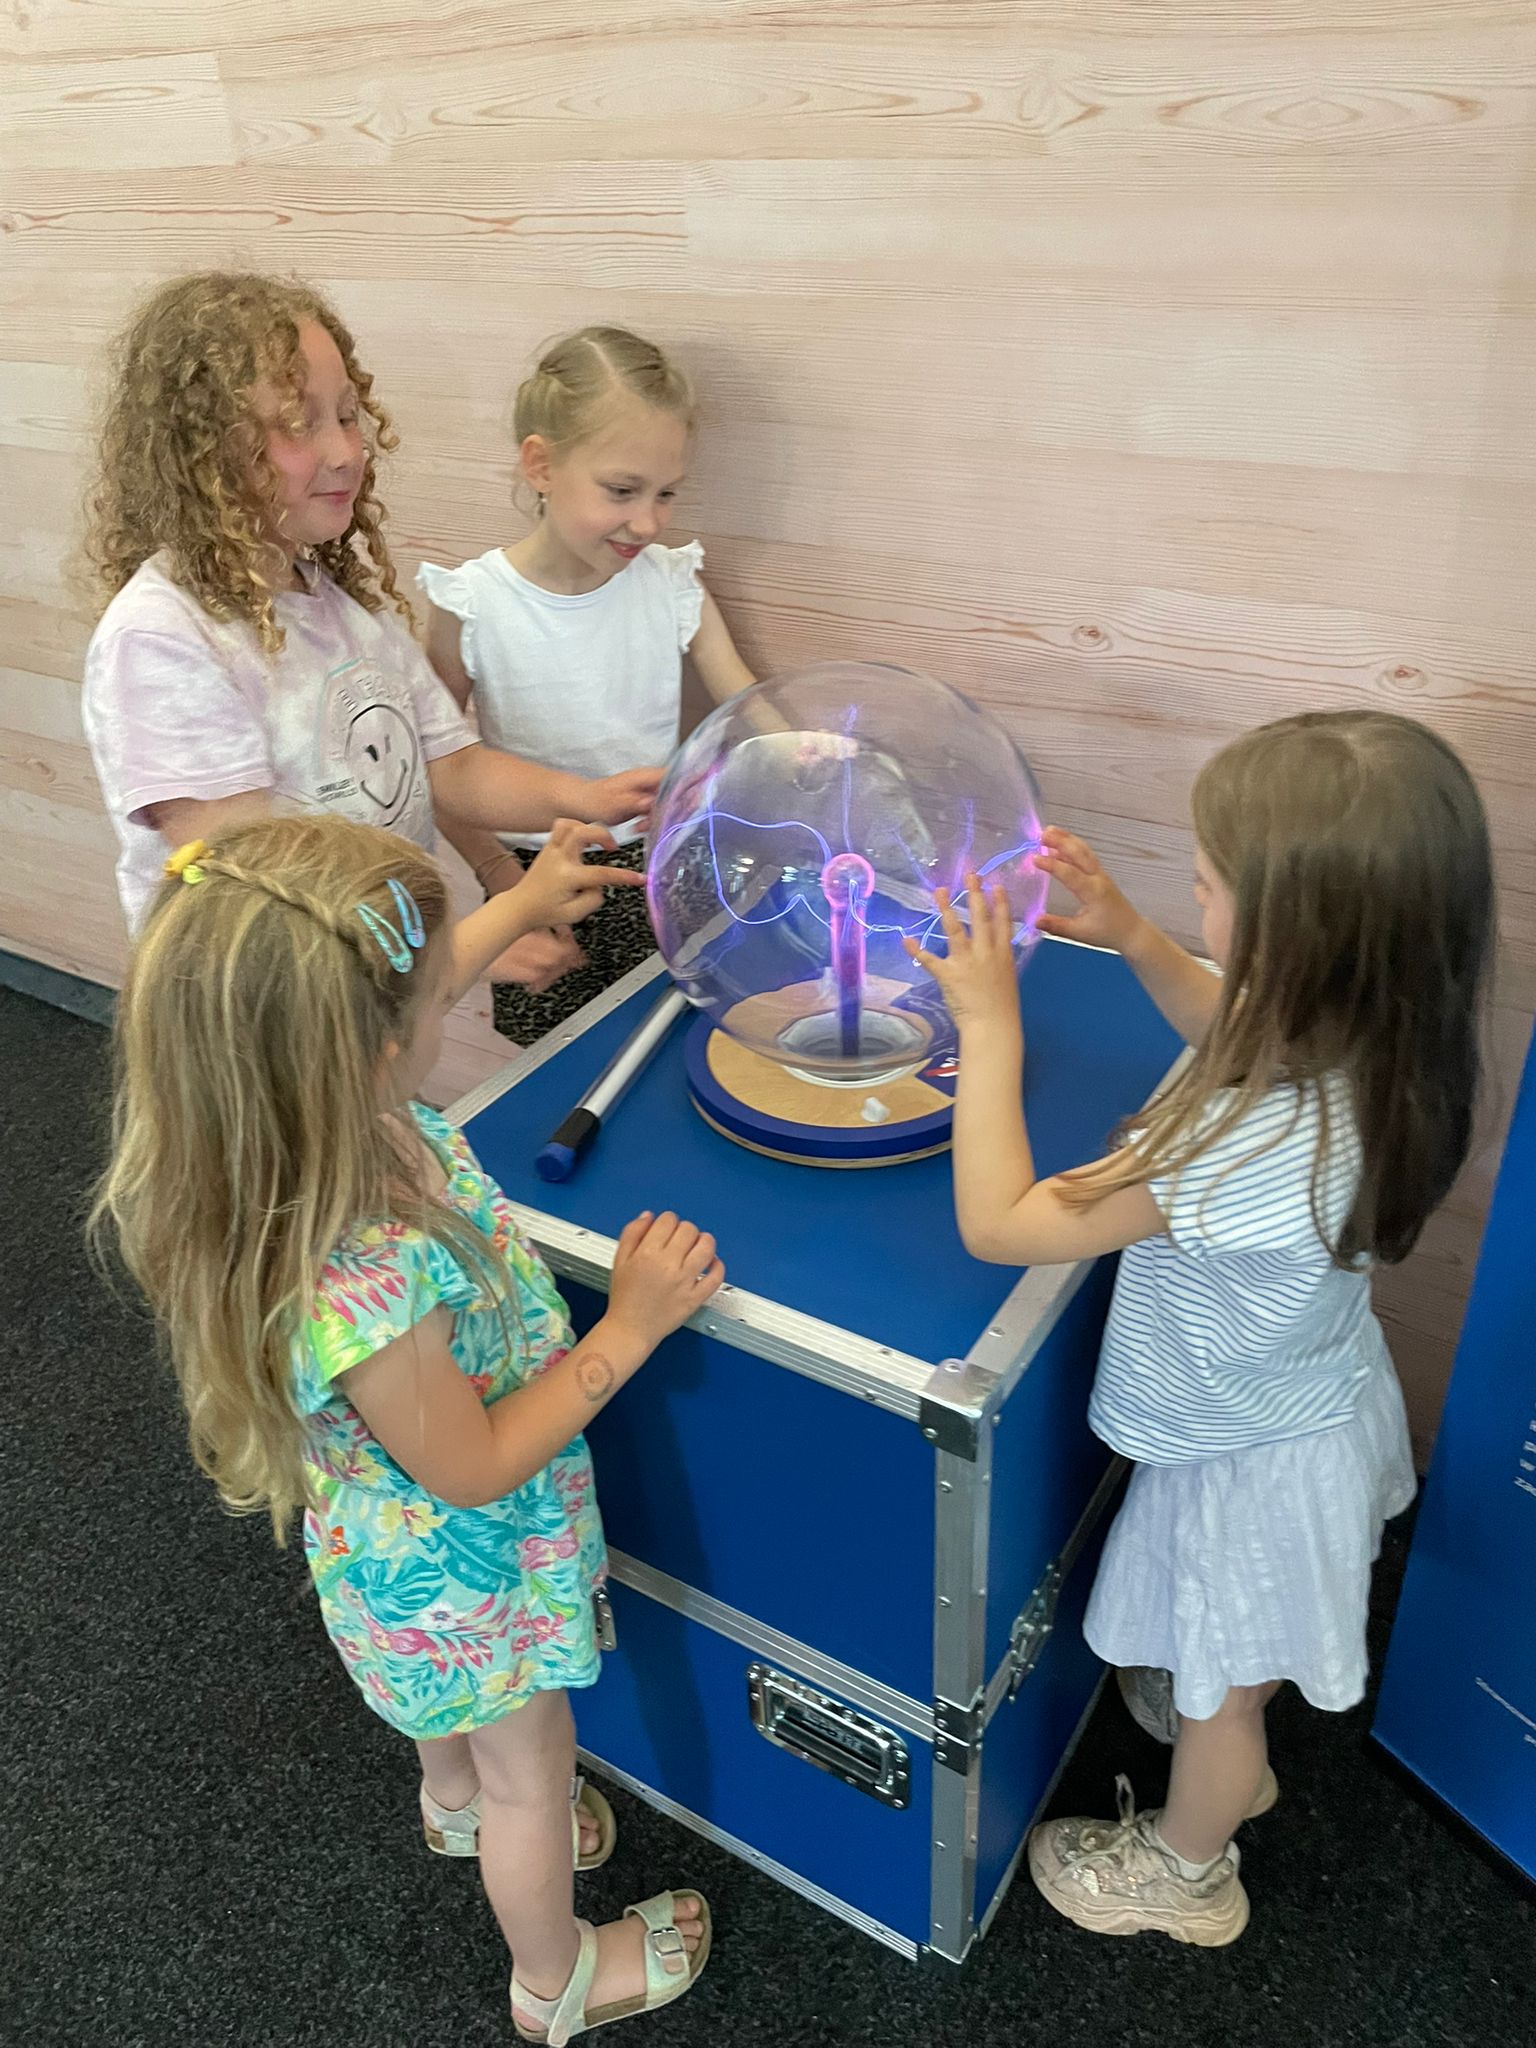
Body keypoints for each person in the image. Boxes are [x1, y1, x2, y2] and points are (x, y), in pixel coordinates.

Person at [91, 812, 720, 2041]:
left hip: (388, 1553)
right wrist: (629, 1329)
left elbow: (407, 975)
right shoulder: (361, 1267)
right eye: (436, 1000)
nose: (451, 1000)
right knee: (532, 1771)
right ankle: (556, 1976)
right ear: (371, 1049)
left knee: (458, 1731)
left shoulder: (285, 1136)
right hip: (471, 1571)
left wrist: (520, 899)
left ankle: (450, 1804)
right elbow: (474, 1466)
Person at [910, 709, 1494, 1947]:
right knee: (1226, 1662)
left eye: (1210, 884)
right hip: (1299, 1400)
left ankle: (1188, 1867)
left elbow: (1003, 1223)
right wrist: (1130, 930)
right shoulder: (1380, 1041)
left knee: (1227, 1696)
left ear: (1299, 940)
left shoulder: (1255, 1143)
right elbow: (1231, 1019)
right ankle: (1217, 1721)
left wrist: (990, 1021)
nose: (1195, 892)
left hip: (1253, 1465)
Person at [80, 271, 660, 1009]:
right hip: (260, 1019)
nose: (345, 451)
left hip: (370, 991)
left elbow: (452, 767)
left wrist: (594, 797)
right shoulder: (162, 638)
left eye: (349, 416)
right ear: (202, 452)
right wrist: (500, 921)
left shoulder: (344, 611)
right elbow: (261, 895)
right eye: (298, 424)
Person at [418, 324, 756, 1042]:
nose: (648, 521)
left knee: (671, 1043)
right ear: (540, 465)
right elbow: (435, 766)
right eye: (623, 490)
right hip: (537, 877)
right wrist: (501, 879)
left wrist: (821, 756)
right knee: (558, 1065)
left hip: (660, 868)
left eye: (666, 493)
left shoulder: (672, 582)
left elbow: (749, 705)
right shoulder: (471, 602)